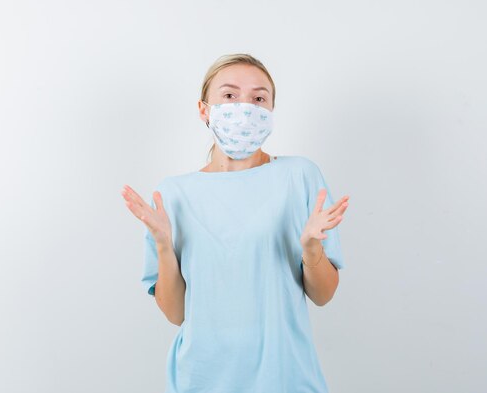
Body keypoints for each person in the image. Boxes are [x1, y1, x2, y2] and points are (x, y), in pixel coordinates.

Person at [120, 53, 350, 393]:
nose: (245, 107)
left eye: (259, 98)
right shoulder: (173, 195)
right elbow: (176, 314)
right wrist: (164, 248)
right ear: (204, 110)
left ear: (270, 112)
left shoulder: (299, 176)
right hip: (202, 379)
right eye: (229, 95)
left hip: (285, 378)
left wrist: (312, 251)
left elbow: (323, 295)